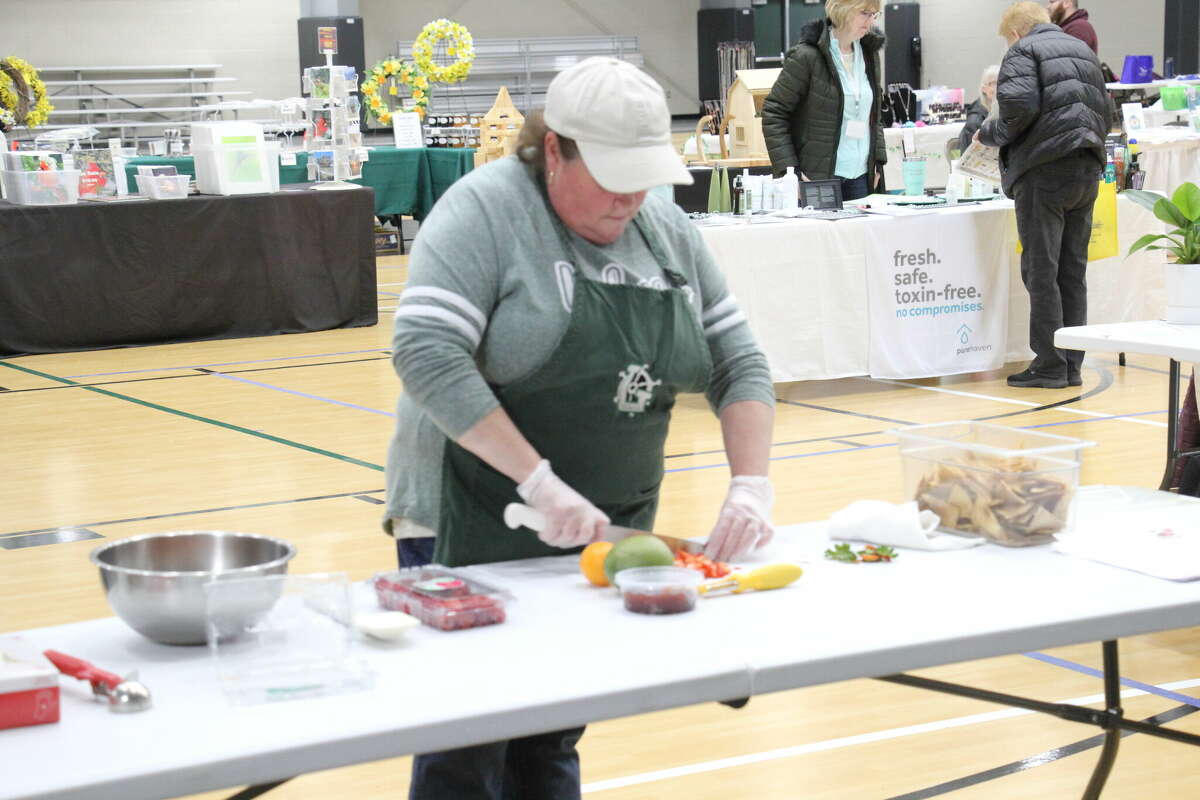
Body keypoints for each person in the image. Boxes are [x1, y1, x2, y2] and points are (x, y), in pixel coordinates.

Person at [384, 56, 777, 799]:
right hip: (469, 512)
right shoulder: (486, 212)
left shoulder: (664, 231)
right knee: (470, 732)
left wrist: (751, 483)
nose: (631, 195)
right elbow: (426, 353)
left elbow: (740, 364)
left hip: (600, 526)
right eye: (610, 173)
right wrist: (536, 479)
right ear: (554, 149)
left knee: (555, 722)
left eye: (644, 174)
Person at [977, 2, 1111, 389]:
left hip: (1044, 172)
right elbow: (1105, 109)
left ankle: (1050, 364)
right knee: (1073, 271)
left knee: (1041, 269)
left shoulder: (1023, 51)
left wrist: (988, 133)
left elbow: (1017, 110)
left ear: (1016, 33)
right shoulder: (1082, 50)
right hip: (1086, 169)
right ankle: (1071, 364)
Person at [761, 0, 887, 201]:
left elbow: (875, 115)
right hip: (817, 178)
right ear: (842, 10)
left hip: (863, 177)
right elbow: (774, 113)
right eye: (865, 13)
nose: (870, 21)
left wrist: (878, 161)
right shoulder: (807, 56)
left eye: (874, 14)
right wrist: (789, 172)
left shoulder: (870, 55)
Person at [957, 65, 1000, 153]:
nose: (997, 86)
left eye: (1001, 81)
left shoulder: (1006, 110)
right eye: (992, 83)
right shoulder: (975, 120)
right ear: (984, 89)